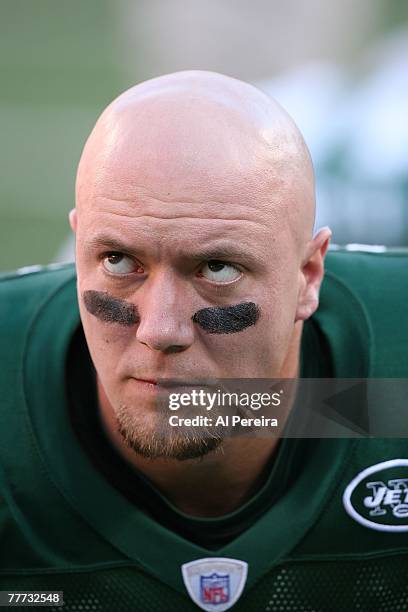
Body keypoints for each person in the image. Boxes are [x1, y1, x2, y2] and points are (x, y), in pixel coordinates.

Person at [0, 71, 407, 612]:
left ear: (308, 275)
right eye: (119, 261)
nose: (160, 329)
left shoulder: (389, 384)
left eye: (217, 269)